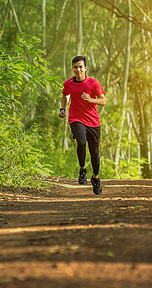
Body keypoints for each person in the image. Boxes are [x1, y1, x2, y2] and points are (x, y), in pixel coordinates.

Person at [59, 56, 106, 195]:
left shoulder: (93, 82)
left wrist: (90, 99)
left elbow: (103, 100)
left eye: (81, 67)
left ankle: (95, 178)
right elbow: (65, 95)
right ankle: (82, 169)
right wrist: (63, 108)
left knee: (94, 153)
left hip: (93, 122)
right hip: (76, 118)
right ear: (72, 68)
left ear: (85, 68)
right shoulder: (68, 83)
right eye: (75, 67)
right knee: (81, 141)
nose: (78, 70)